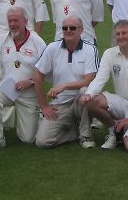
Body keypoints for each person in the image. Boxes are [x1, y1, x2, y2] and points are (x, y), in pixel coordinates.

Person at [79, 20, 128, 151]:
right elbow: (100, 79)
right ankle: (113, 131)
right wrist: (88, 94)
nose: (120, 37)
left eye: (124, 33)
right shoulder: (109, 53)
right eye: (118, 34)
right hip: (121, 103)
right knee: (90, 99)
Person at [0, 7, 46, 151]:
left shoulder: (37, 42)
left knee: (28, 139)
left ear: (25, 21)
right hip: (8, 89)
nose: (12, 24)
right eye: (10, 21)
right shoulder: (1, 40)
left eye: (16, 20)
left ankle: (39, 117)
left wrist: (29, 82)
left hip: (29, 93)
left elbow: (47, 72)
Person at [34, 16, 99, 148]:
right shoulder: (52, 48)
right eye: (65, 28)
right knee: (42, 142)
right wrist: (44, 106)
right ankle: (74, 132)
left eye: (72, 28)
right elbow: (37, 75)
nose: (68, 30)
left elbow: (90, 79)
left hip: (80, 102)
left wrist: (64, 86)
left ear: (81, 30)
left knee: (85, 91)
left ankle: (85, 136)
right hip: (59, 104)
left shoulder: (90, 49)